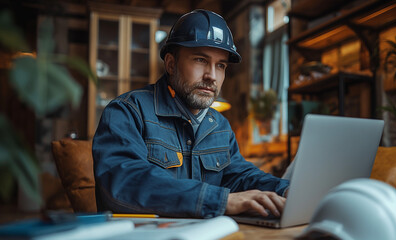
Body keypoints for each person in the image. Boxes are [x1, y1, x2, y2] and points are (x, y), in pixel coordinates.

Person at [92, 9, 289, 218]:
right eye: (200, 60)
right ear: (170, 64)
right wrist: (221, 201)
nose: (212, 76)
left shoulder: (219, 125)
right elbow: (124, 183)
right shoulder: (127, 111)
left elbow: (241, 177)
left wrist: (287, 190)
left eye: (220, 65)